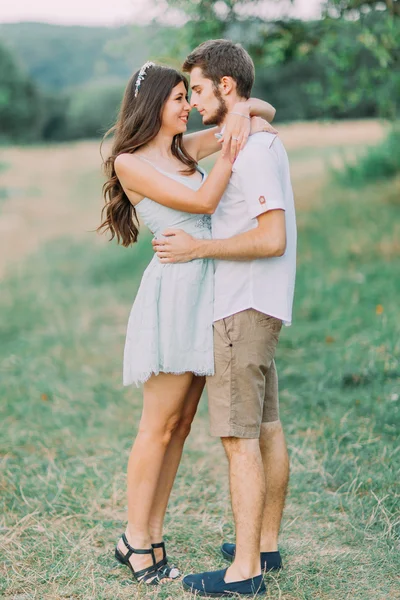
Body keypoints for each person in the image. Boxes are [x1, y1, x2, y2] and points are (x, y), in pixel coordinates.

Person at [97, 61, 276, 586]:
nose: (186, 105)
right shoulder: (130, 162)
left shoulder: (182, 149)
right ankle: (135, 538)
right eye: (177, 98)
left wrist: (240, 110)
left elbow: (268, 111)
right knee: (157, 426)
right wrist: (234, 141)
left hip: (208, 292)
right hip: (175, 294)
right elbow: (203, 200)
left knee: (181, 425)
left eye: (186, 96)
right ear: (153, 105)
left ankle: (153, 535)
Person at [153, 39, 297, 597]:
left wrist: (196, 249)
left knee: (238, 439)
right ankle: (264, 545)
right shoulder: (249, 132)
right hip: (262, 305)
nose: (192, 100)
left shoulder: (253, 148)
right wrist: (248, 110)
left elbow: (271, 236)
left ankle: (245, 572)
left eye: (197, 90)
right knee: (265, 428)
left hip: (243, 305)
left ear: (226, 87)